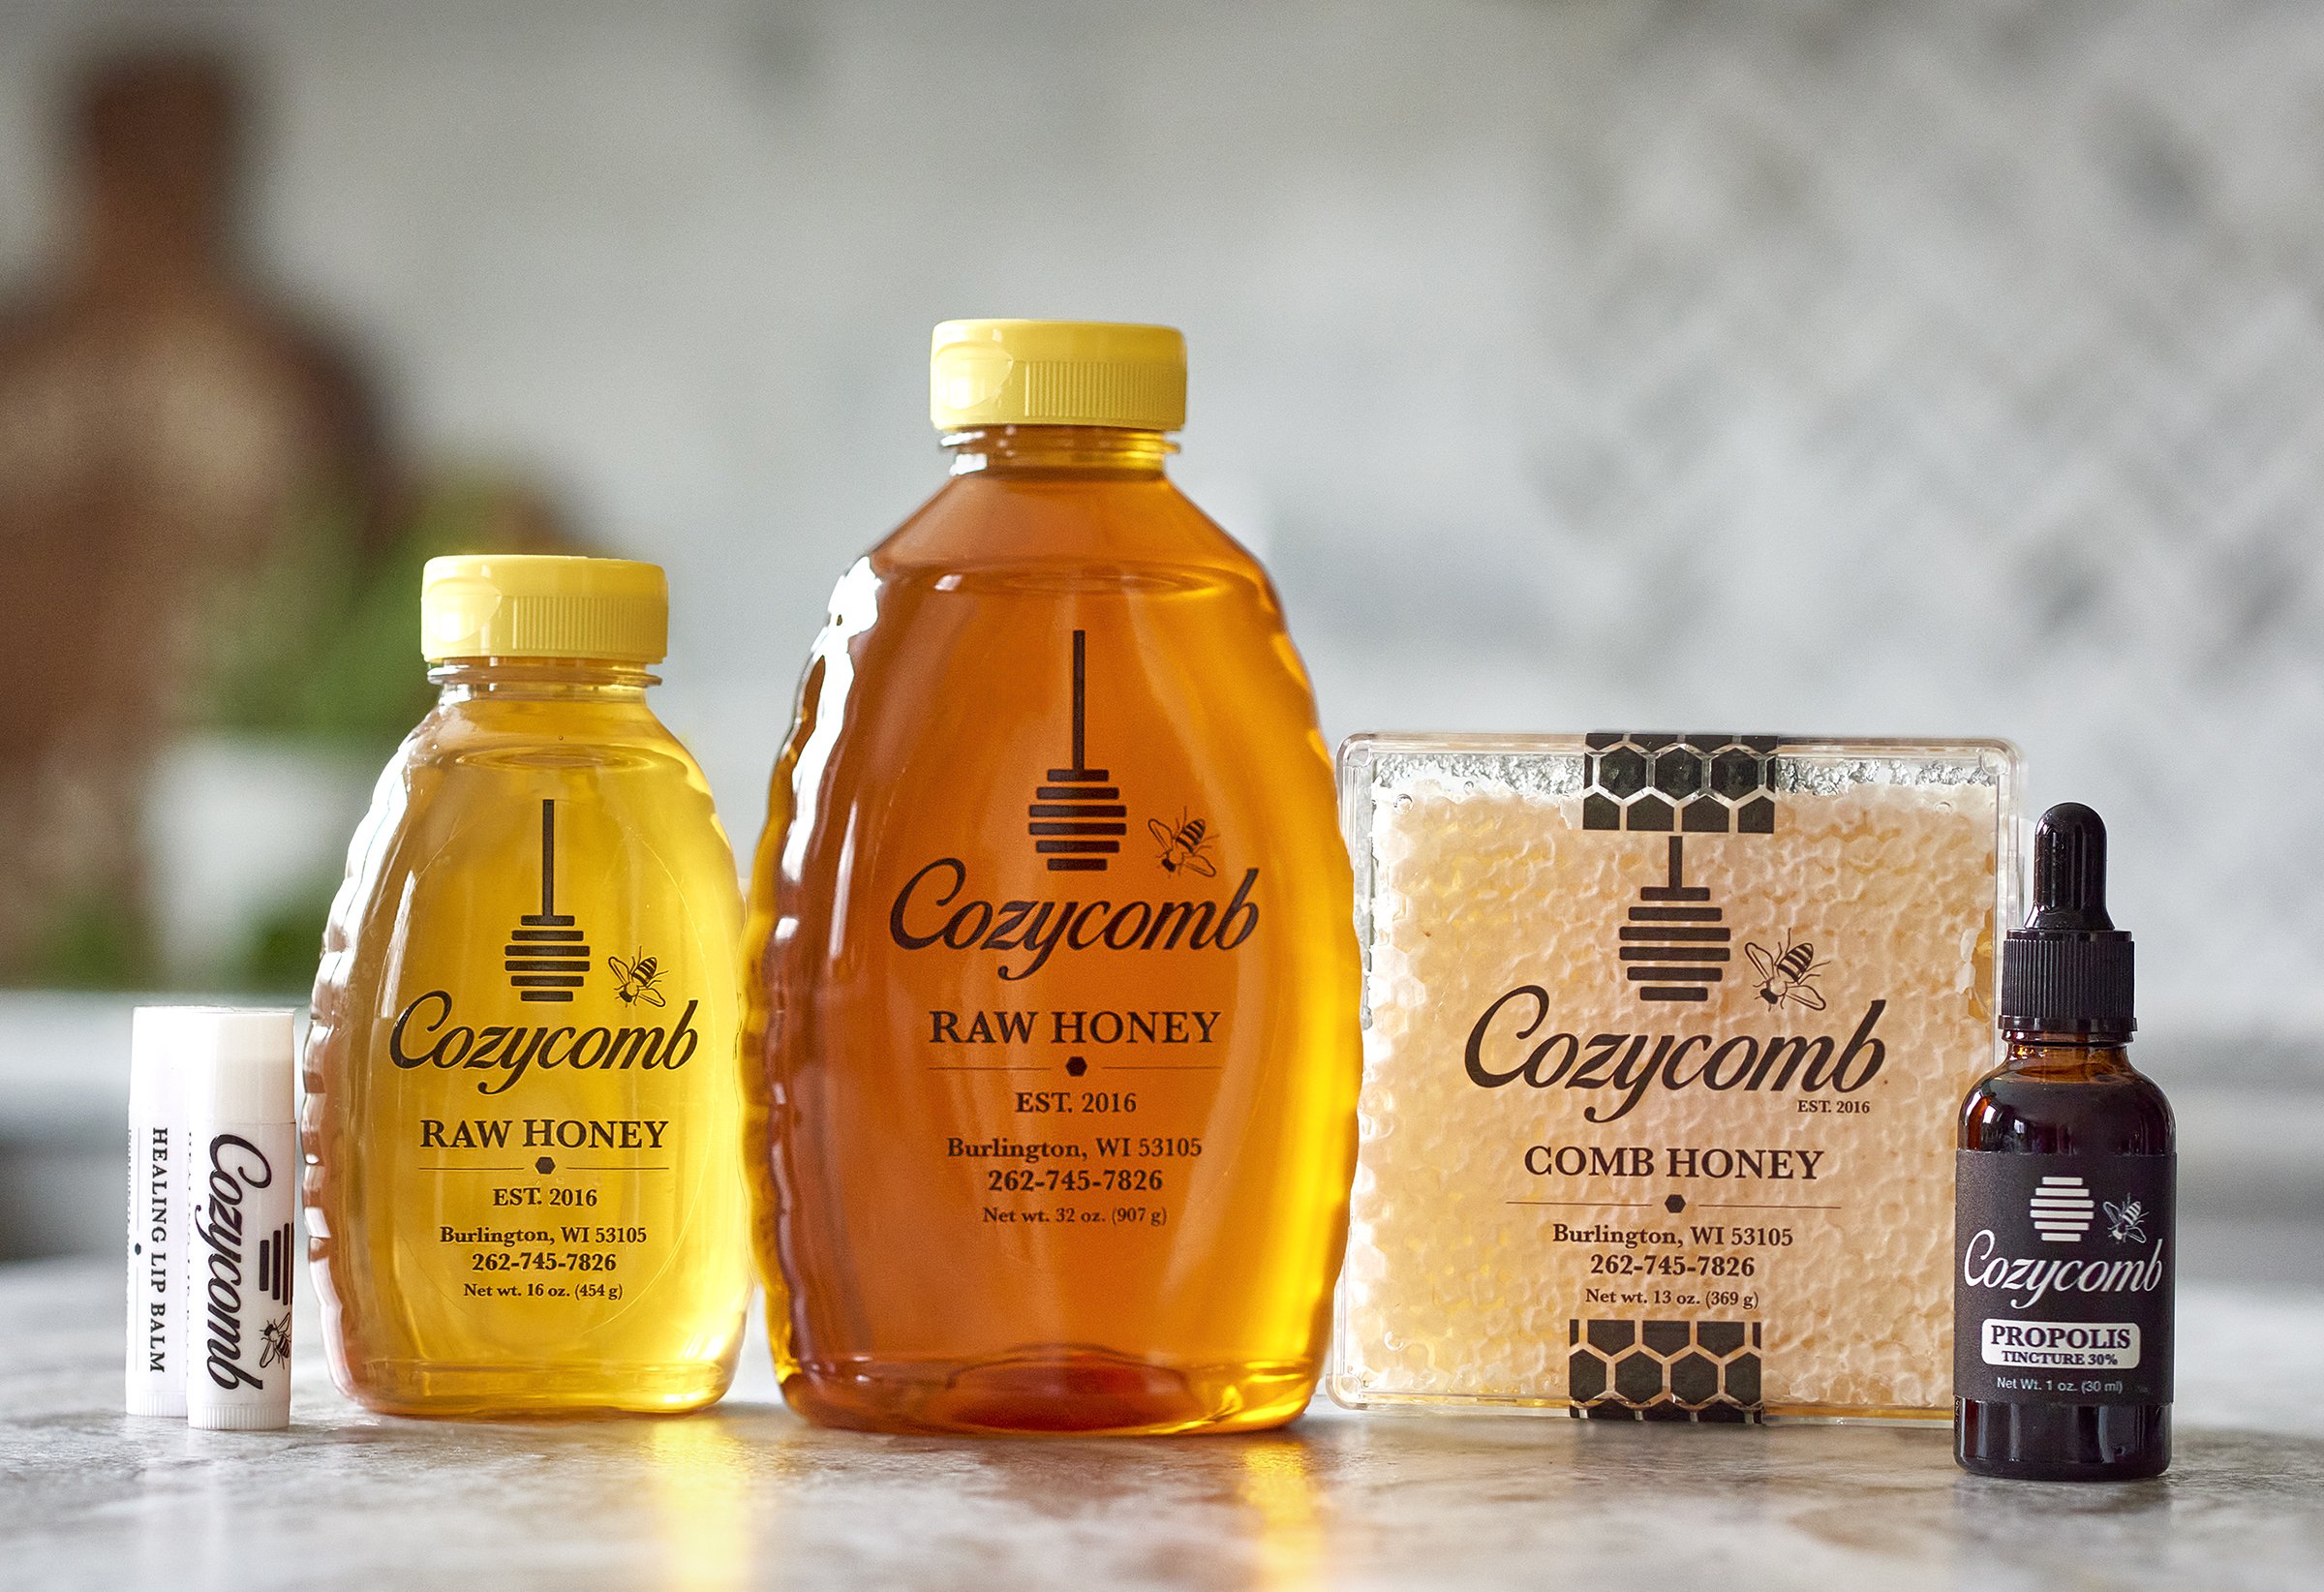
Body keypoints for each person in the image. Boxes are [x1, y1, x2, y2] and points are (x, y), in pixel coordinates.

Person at [0, 49, 387, 983]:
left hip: (195, 873)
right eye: (133, 155)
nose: (153, 185)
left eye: (177, 155)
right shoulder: (23, 353)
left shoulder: (300, 376)